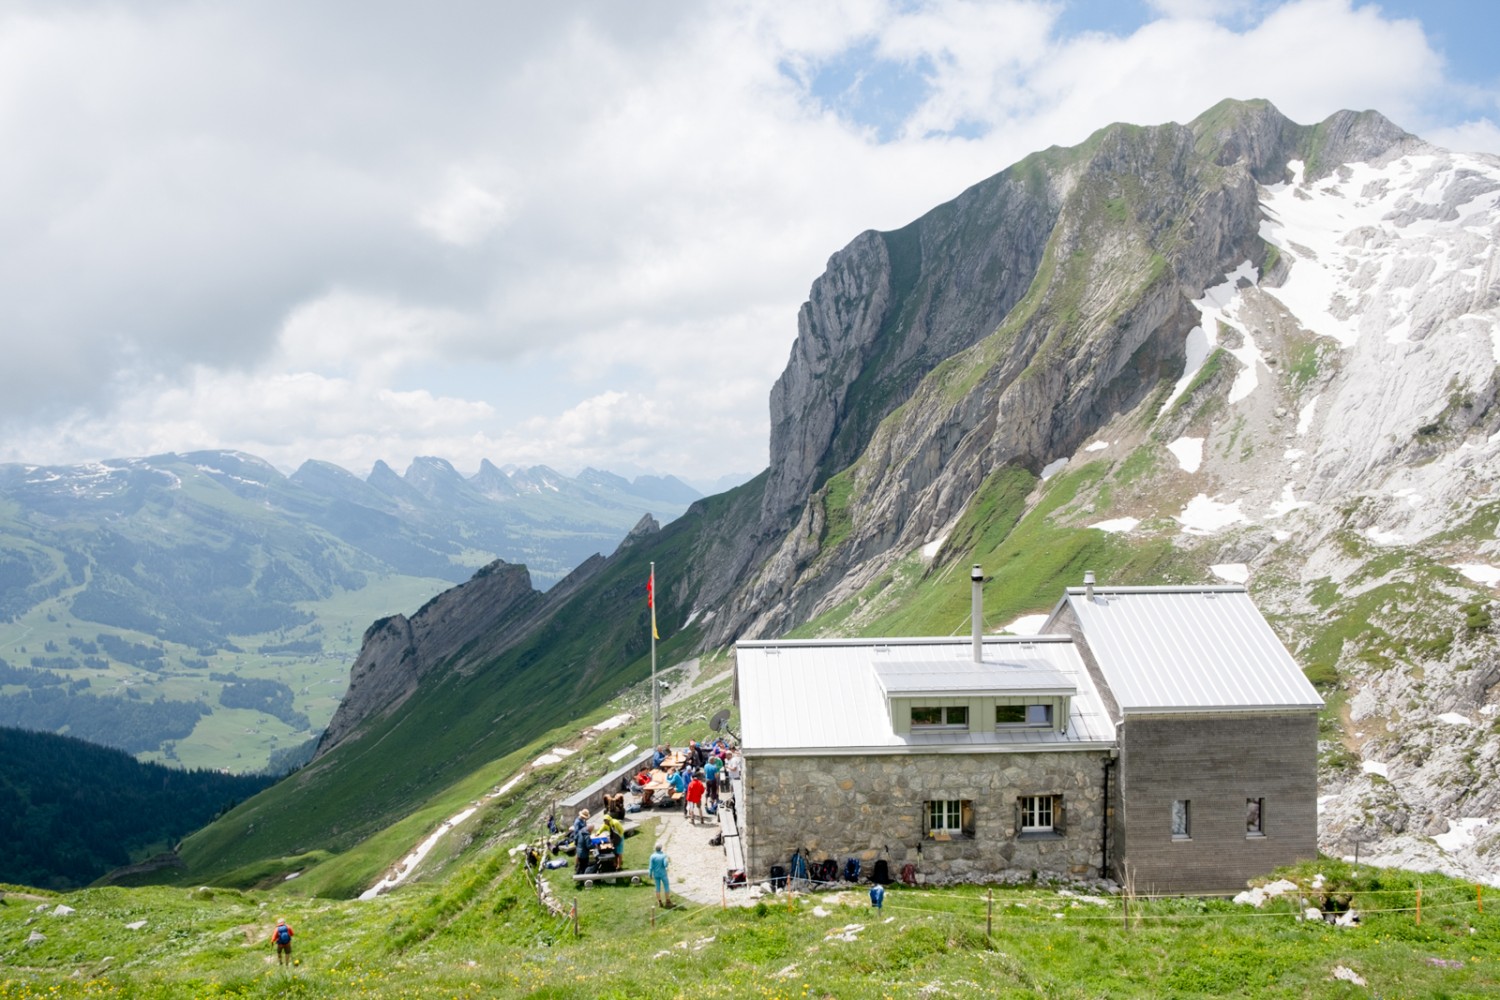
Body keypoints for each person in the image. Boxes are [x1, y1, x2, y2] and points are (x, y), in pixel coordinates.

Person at [649, 843, 671, 907]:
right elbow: (665, 865)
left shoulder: (652, 856)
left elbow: (651, 867)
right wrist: (667, 861)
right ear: (661, 848)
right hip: (663, 874)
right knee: (666, 886)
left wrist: (650, 874)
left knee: (657, 888)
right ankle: (668, 901)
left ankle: (659, 902)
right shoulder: (664, 856)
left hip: (656, 874)